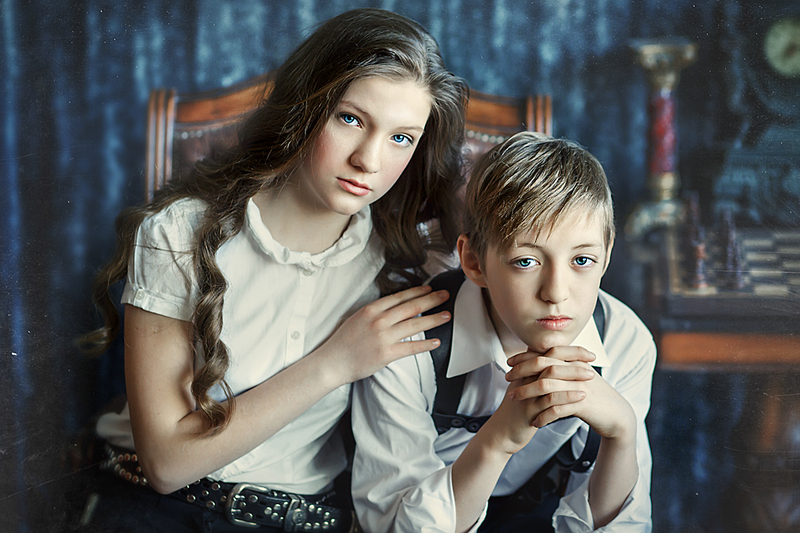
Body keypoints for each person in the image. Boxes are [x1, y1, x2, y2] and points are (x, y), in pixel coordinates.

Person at [79, 8, 467, 532]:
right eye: (351, 119)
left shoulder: (406, 259)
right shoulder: (180, 233)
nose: (369, 161)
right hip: (158, 511)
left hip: (306, 519)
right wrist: (336, 362)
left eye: (402, 138)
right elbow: (167, 463)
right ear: (304, 108)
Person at [352, 132, 656, 533]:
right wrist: (497, 441)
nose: (556, 293)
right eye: (526, 261)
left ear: (607, 254)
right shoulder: (408, 342)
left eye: (582, 260)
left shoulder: (624, 340)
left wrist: (622, 434)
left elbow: (622, 527)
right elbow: (392, 527)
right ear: (474, 263)